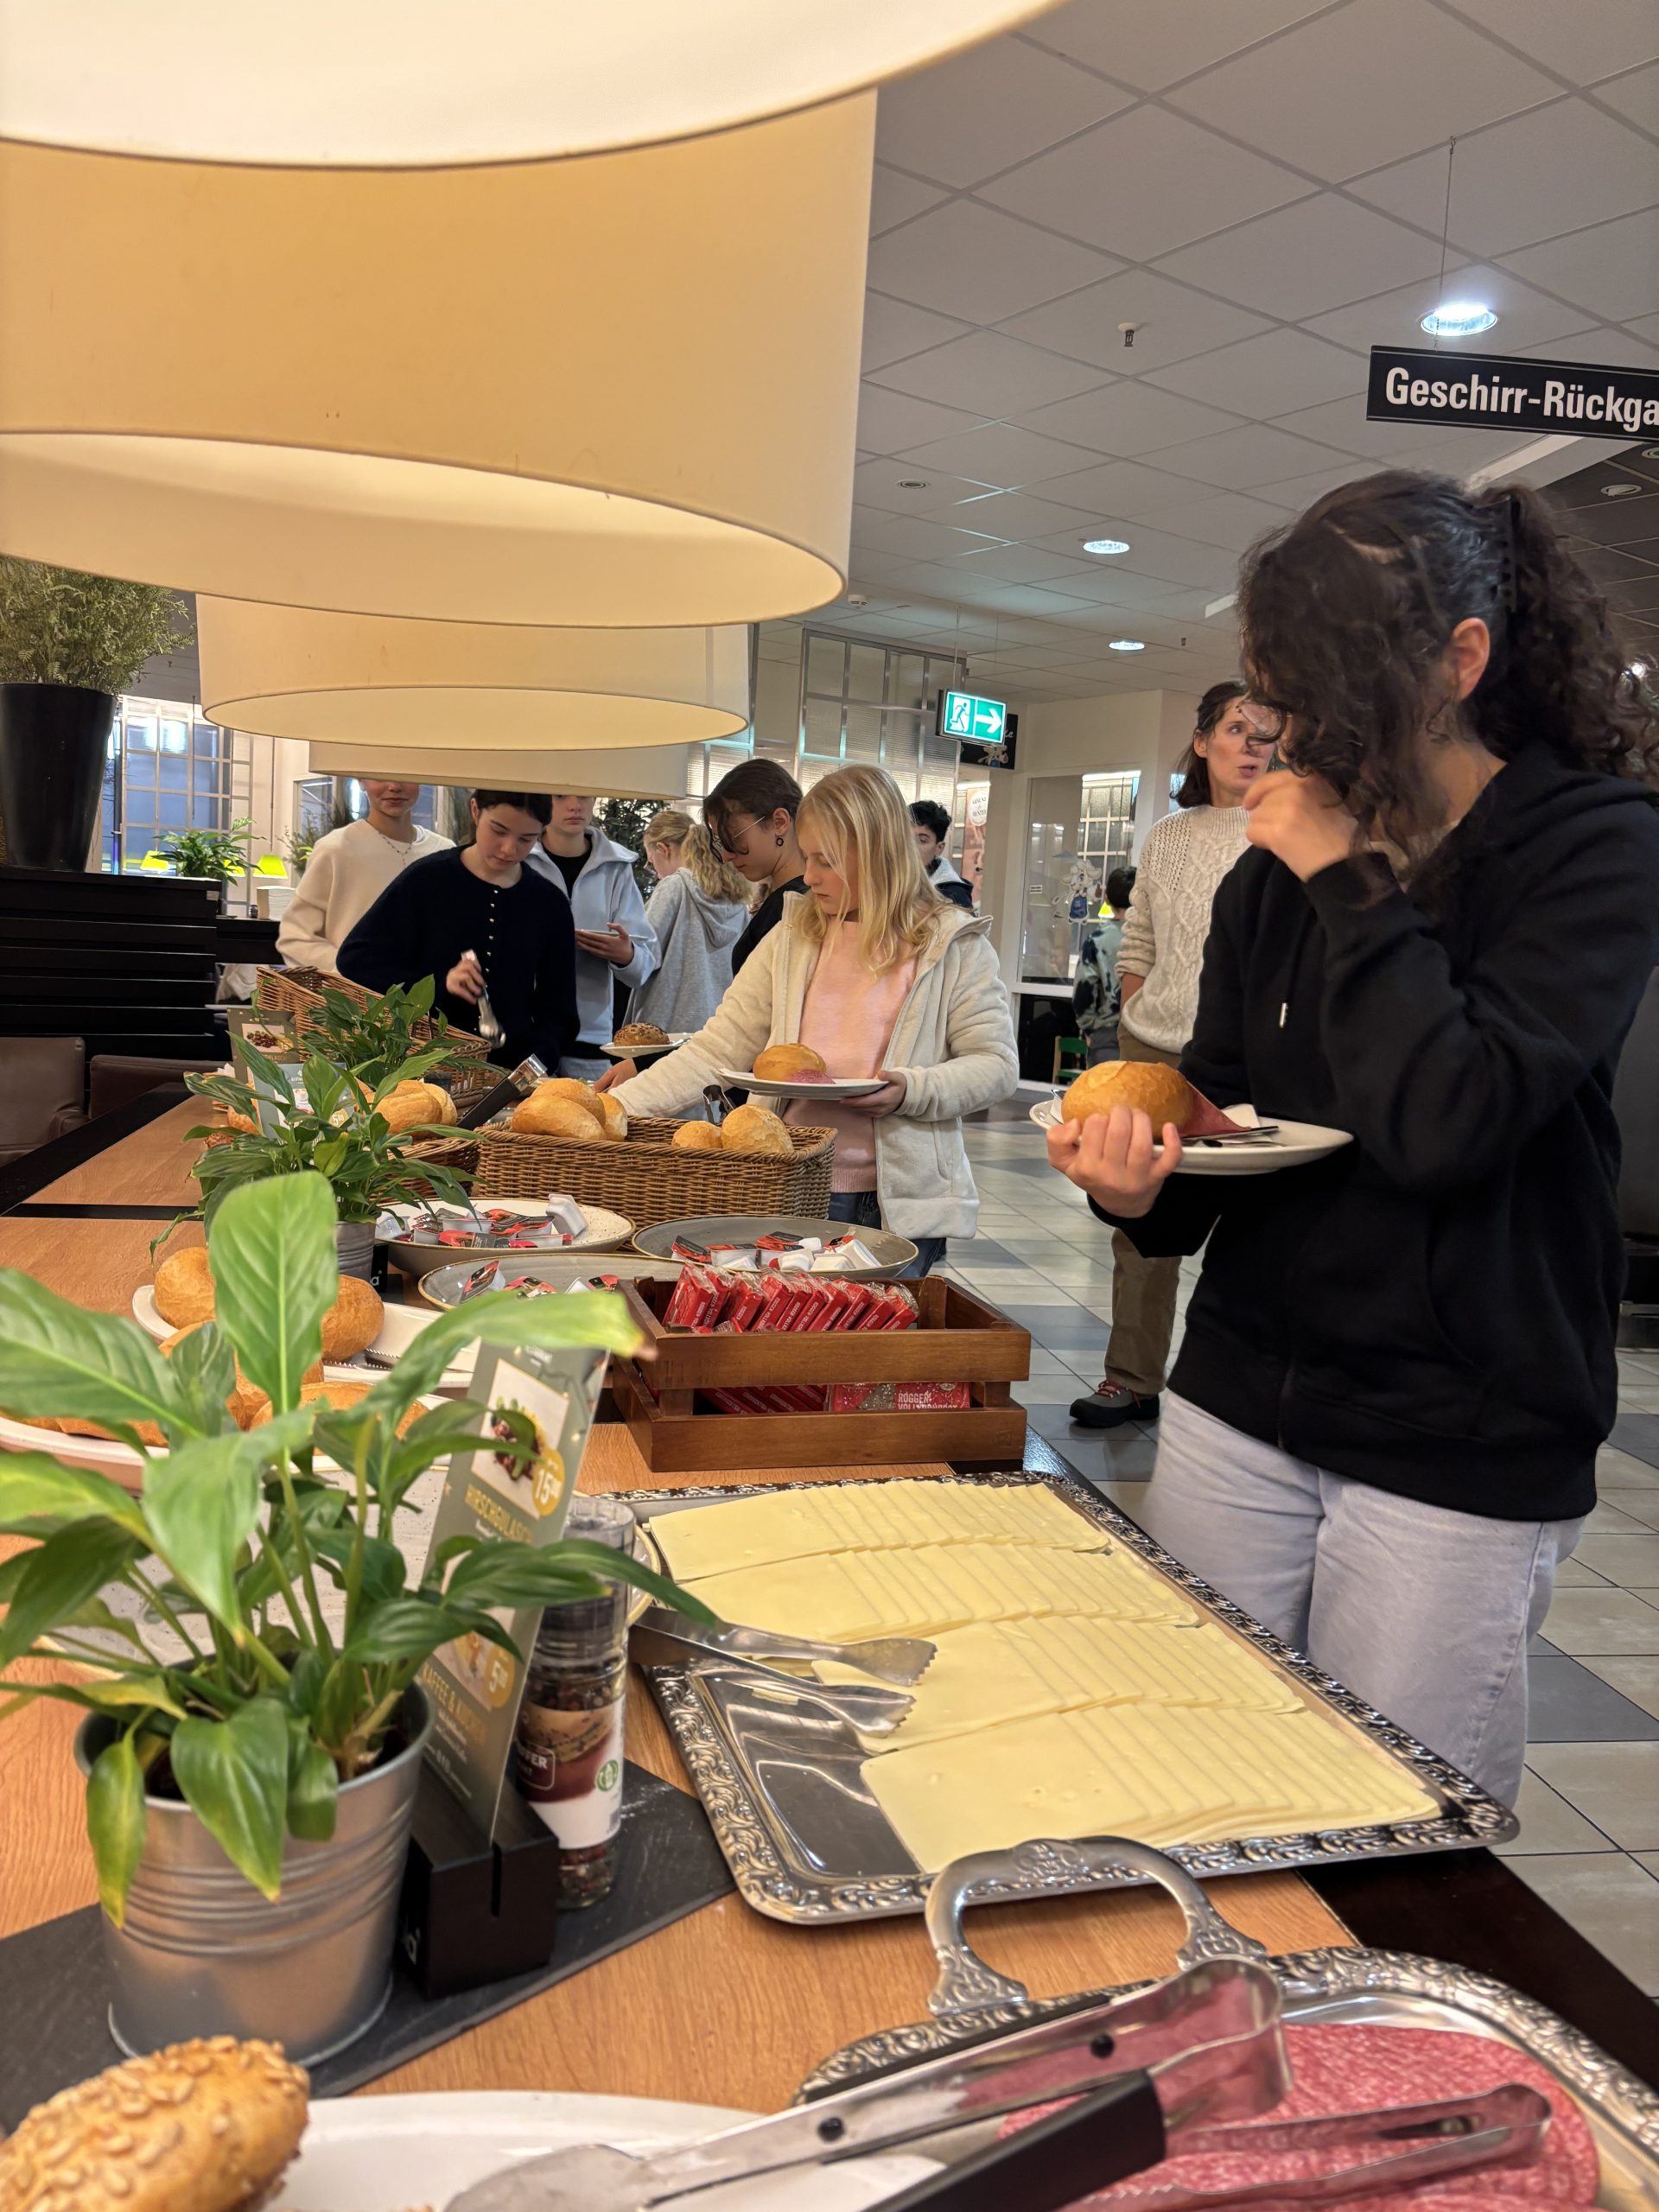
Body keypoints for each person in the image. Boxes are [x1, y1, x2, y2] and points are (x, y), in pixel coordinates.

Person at [1047, 467, 1659, 1806]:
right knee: (1195, 1777)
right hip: (1242, 1391)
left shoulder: (1593, 845)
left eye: (1329, 692)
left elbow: (1452, 1117)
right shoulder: (1271, 875)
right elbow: (1215, 1111)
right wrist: (1136, 1187)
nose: (1295, 737)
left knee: (1387, 1816)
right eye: (1279, 699)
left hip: (1461, 1428)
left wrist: (1348, 877)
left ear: (1460, 661)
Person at [600, 764, 1018, 1275]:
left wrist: (910, 1089)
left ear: (879, 852)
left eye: (826, 860)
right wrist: (609, 1110)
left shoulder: (954, 945)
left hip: (895, 1207)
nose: (810, 876)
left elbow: (996, 1066)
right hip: (789, 1187)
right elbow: (716, 1049)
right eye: (807, 855)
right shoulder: (792, 936)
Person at [1071, 681, 1274, 1431]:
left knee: (1256, 1224)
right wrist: (1134, 1011)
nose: (1253, 744)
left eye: (1267, 731)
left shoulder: (1288, 829)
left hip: (1251, 1060)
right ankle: (1131, 1379)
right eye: (1237, 728)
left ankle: (1240, 1392)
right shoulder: (1168, 834)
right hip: (1155, 1044)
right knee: (1141, 1225)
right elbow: (1142, 938)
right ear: (1202, 741)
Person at [338, 791, 577, 1072]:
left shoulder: (549, 903)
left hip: (512, 1073)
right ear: (475, 811)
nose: (508, 849)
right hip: (420, 1064)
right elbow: (355, 959)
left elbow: (559, 1010)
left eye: (526, 839)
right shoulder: (427, 879)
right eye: (498, 831)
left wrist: (536, 1064)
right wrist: (436, 987)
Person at [524, 795, 658, 1080]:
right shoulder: (520, 857)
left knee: (591, 1106)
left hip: (590, 1036)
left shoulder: (616, 866)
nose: (575, 805)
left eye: (584, 795)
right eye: (561, 796)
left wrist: (626, 955)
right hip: (524, 1030)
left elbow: (643, 968)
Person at [276, 780, 452, 972]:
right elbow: (296, 938)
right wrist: (351, 969)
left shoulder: (444, 852)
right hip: (352, 990)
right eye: (381, 775)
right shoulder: (336, 849)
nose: (394, 786)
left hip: (430, 989)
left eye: (405, 774)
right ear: (361, 780)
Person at [626, 810, 750, 1038]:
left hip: (665, 1032)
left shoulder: (674, 887)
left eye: (652, 864)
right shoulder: (736, 898)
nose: (656, 874)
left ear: (663, 849)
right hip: (717, 1031)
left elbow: (644, 957)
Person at [703, 759, 807, 974]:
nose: (726, 856)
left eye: (734, 838)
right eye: (721, 842)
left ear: (779, 822)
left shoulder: (790, 906)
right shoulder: (789, 899)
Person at [1072, 865, 1136, 1067]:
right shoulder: (1153, 938)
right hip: (1146, 1034)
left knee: (1105, 1087)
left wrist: (1089, 1029)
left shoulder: (1097, 940)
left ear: (1107, 898)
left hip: (1107, 1035)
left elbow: (1084, 990)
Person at [910, 799, 974, 910]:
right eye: (905, 838)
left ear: (939, 848)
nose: (910, 846)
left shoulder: (953, 895)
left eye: (922, 840)